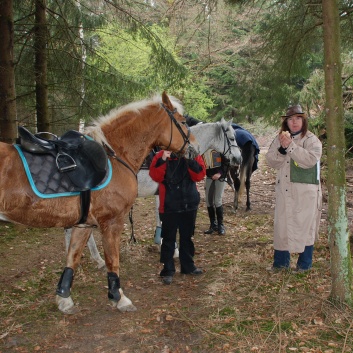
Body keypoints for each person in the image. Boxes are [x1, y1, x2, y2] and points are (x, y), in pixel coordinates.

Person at [266, 104, 322, 272]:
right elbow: (271, 160)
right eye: (290, 119)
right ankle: (281, 263)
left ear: (303, 120)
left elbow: (310, 159)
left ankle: (304, 265)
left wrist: (290, 146)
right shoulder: (279, 139)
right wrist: (282, 149)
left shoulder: (312, 140)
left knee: (305, 228)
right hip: (285, 191)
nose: (294, 122)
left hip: (305, 194)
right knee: (282, 227)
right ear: (286, 122)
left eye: (298, 118)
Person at [149, 150, 206, 285]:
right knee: (168, 238)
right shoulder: (160, 155)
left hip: (189, 203)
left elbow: (199, 175)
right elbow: (155, 176)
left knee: (187, 237)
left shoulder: (193, 154)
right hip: (169, 205)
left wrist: (189, 159)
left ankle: (188, 266)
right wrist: (163, 159)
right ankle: (168, 270)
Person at [203, 149, 229, 235]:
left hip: (221, 177)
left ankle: (220, 225)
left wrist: (219, 173)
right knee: (208, 201)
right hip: (209, 177)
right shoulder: (204, 148)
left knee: (217, 200)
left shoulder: (219, 147)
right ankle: (213, 225)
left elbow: (227, 161)